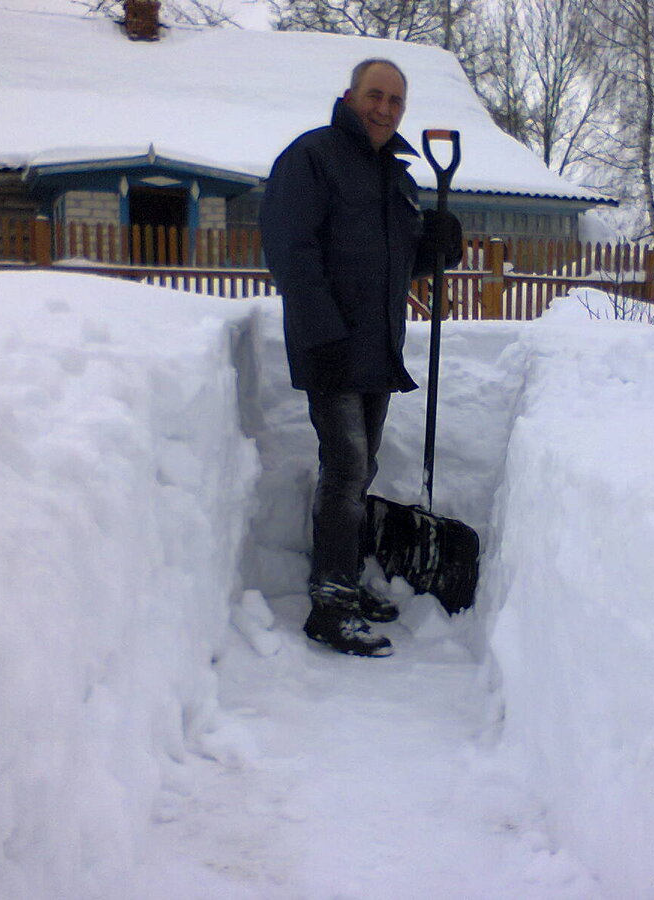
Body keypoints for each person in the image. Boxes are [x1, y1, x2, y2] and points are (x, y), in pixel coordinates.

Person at [260, 58, 463, 658]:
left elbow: (397, 265)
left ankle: (342, 580)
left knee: (358, 468)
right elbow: (290, 248)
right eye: (375, 95)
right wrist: (323, 333)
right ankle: (330, 603)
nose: (385, 109)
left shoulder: (396, 175)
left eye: (396, 101)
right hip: (332, 345)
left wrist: (436, 248)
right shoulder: (312, 157)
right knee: (347, 468)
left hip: (377, 347)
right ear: (350, 95)